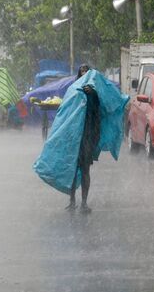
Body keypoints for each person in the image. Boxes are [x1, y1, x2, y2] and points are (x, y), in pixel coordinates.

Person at [66, 64, 100, 213]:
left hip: (87, 136)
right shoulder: (73, 89)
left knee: (85, 170)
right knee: (73, 170)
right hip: (74, 136)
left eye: (87, 70)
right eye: (82, 71)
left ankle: (84, 202)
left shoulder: (94, 92)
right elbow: (66, 111)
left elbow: (97, 112)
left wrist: (92, 94)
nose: (84, 73)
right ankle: (72, 201)